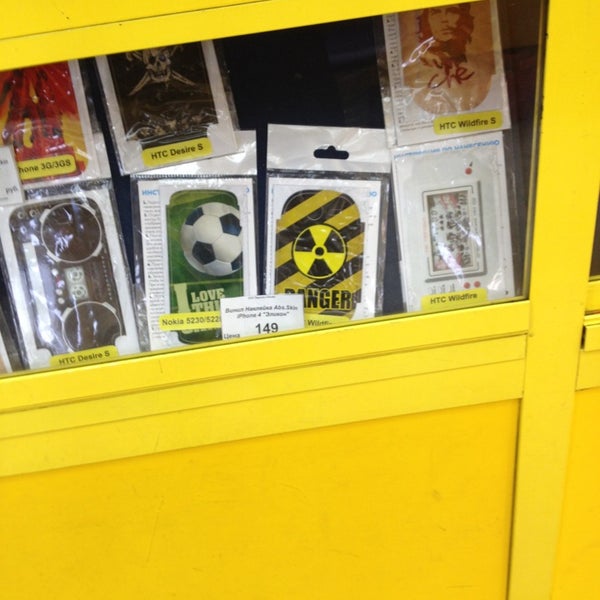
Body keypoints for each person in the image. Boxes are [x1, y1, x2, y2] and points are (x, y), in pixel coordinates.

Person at [402, 2, 493, 115]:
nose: (444, 20)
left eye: (452, 12)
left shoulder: (480, 64)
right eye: (435, 13)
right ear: (426, 20)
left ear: (463, 18)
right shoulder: (418, 65)